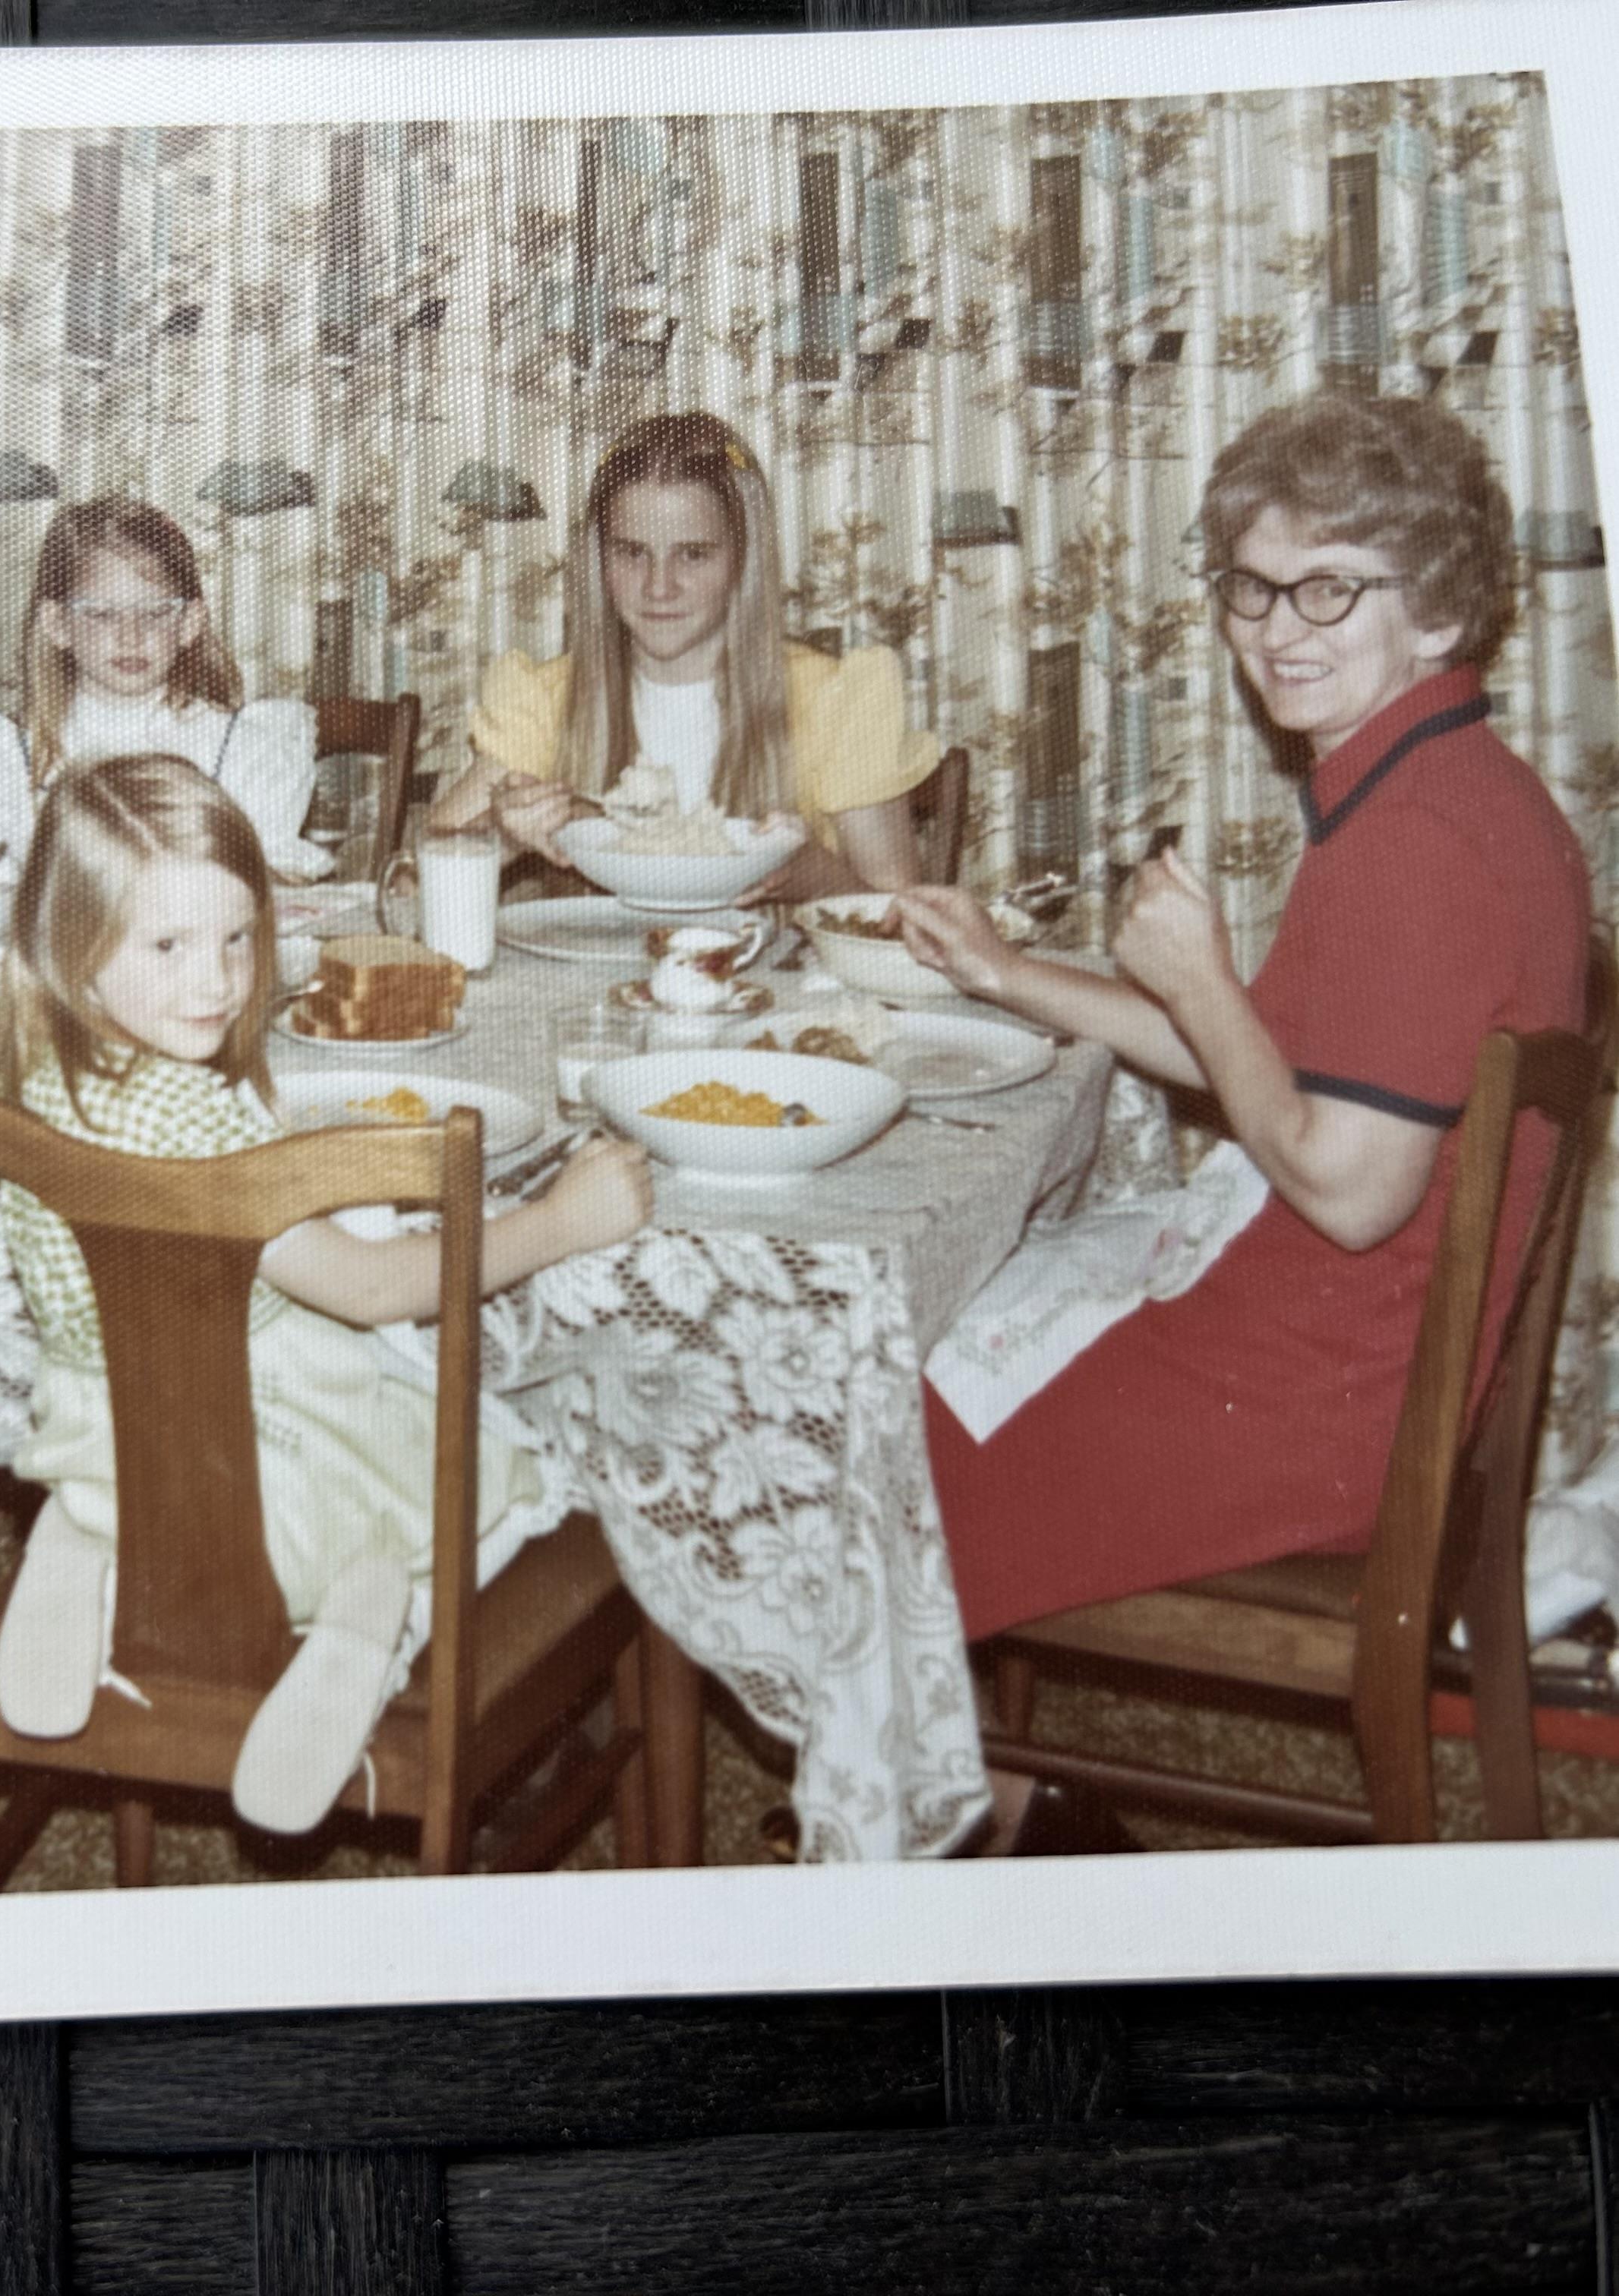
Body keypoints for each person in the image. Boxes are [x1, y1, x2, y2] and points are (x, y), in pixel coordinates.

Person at [899, 393, 1591, 1848]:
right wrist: (1010, 972)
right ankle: (1003, 1799)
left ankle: (982, 1823)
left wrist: (1200, 977)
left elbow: (1344, 1186)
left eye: (1328, 587)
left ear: (1436, 605)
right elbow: (1292, 1067)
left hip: (1318, 1412)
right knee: (955, 1335)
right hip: (1362, 1370)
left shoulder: (1410, 848)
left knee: (864, 1438)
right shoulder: (1449, 784)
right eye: (1250, 586)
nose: (1276, 627)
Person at [0, 752, 653, 1837]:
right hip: (256, 1468)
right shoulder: (212, 1132)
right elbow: (375, 1288)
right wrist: (558, 1222)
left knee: (142, 1467)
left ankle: (85, 1532)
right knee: (500, 1482)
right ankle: (370, 1623)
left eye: (238, 937)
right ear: (74, 944)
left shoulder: (14, 1059)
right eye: (170, 945)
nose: (217, 980)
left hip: (91, 1427)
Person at [428, 410, 937, 900]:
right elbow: (410, 889)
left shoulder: (835, 701)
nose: (659, 587)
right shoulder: (546, 701)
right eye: (631, 552)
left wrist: (817, 877)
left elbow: (907, 925)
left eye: (693, 554)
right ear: (598, 559)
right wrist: (502, 838)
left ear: (743, 559)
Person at [0, 497, 330, 883]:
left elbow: (268, 896)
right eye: (102, 614)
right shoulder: (4, 759)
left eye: (156, 613)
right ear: (57, 624)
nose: (131, 637)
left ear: (189, 622)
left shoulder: (242, 752)